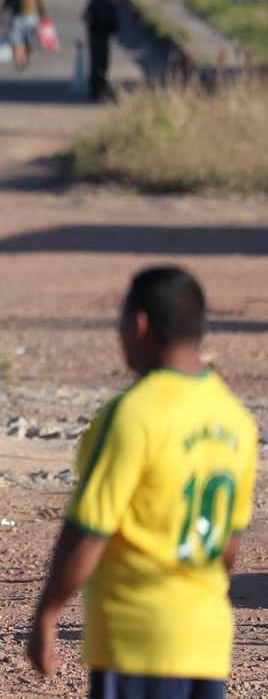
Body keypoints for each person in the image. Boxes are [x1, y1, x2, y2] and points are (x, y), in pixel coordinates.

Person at [27, 267, 258, 699]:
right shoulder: (237, 422)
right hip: (206, 640)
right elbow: (227, 546)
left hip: (137, 639)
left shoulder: (132, 415)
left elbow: (89, 531)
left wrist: (47, 613)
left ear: (140, 324)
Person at [0, 0, 49, 70]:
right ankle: (19, 60)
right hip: (17, 17)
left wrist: (44, 15)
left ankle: (25, 57)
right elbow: (6, 0)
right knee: (15, 40)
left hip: (32, 17)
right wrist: (2, 14)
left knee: (29, 42)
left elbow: (40, 0)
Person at [84, 0, 120, 102]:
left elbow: (85, 17)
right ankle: (100, 88)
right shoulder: (109, 3)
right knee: (103, 63)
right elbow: (115, 21)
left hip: (95, 37)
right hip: (103, 37)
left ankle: (96, 89)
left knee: (96, 63)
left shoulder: (94, 2)